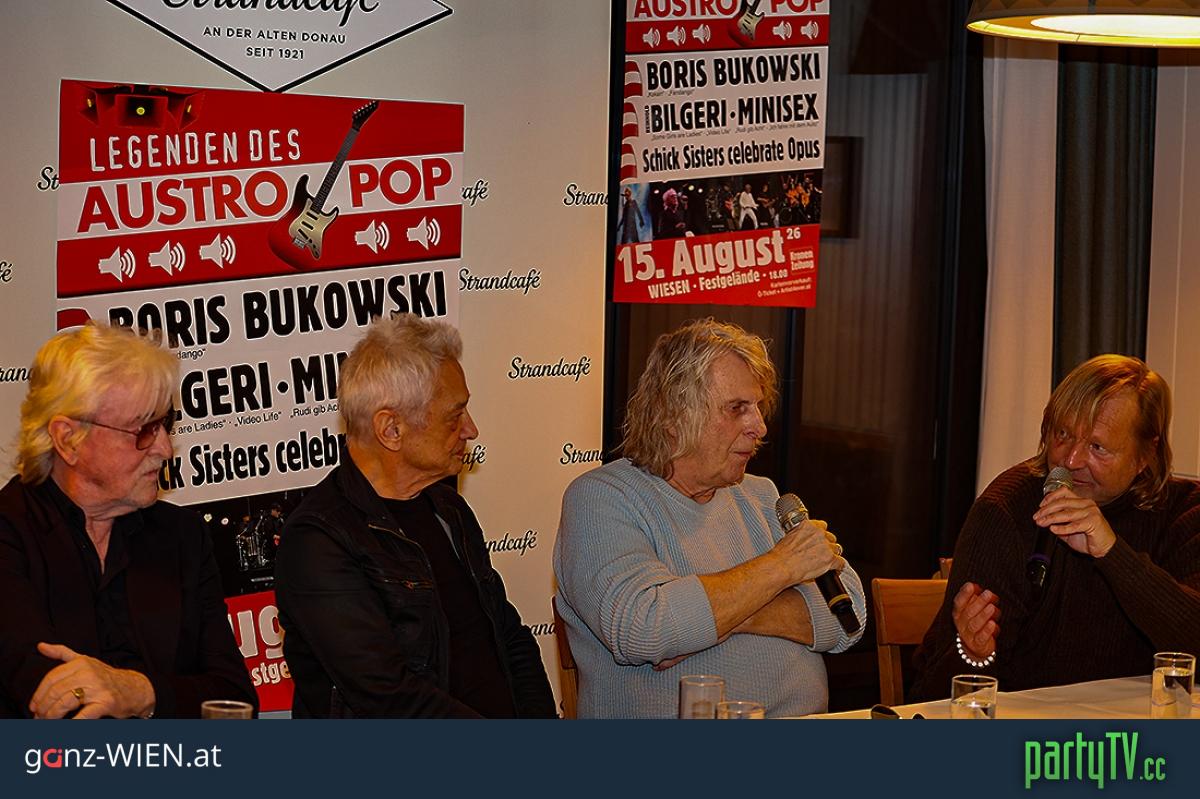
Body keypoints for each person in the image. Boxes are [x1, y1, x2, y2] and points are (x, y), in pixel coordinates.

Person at [553, 319, 866, 718]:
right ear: (673, 415)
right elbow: (644, 629)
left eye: (757, 407)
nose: (759, 426)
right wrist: (782, 567)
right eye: (737, 408)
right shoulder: (602, 499)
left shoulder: (763, 496)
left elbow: (848, 618)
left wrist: (717, 619)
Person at [274, 314, 556, 718]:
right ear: (391, 429)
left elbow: (509, 637)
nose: (471, 430)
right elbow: (388, 697)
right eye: (454, 416)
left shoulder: (449, 510)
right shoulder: (318, 541)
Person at [0, 323, 255, 718]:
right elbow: (49, 700)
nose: (165, 449)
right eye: (144, 430)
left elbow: (235, 701)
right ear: (68, 439)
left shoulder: (182, 537)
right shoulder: (9, 534)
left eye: (166, 423)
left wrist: (140, 692)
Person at [910, 354, 1200, 700]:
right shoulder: (1007, 511)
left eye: (1097, 447)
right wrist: (974, 654)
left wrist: (1112, 553)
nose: (1070, 460)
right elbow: (937, 696)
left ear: (1145, 456)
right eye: (1063, 434)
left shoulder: (1183, 513)